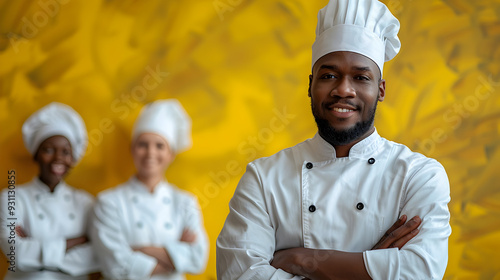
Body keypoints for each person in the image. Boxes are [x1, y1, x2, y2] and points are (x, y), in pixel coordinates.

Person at [216, 0, 452, 279]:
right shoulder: (264, 177)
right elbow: (239, 274)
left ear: (380, 89)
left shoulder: (419, 175)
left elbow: (422, 271)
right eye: (329, 75)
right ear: (310, 85)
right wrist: (372, 266)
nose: (343, 90)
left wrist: (303, 260)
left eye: (361, 77)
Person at [91, 99, 209, 280]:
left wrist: (141, 250)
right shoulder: (108, 202)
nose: (150, 153)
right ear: (132, 149)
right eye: (143, 144)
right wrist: (176, 256)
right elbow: (114, 265)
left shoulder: (186, 202)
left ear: (171, 154)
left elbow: (198, 259)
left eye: (159, 145)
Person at [0, 102, 100, 279]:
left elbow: (96, 255)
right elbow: (16, 254)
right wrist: (77, 241)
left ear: (73, 158)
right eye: (48, 150)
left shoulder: (86, 203)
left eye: (66, 152)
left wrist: (34, 250)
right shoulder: (11, 198)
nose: (58, 158)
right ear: (36, 154)